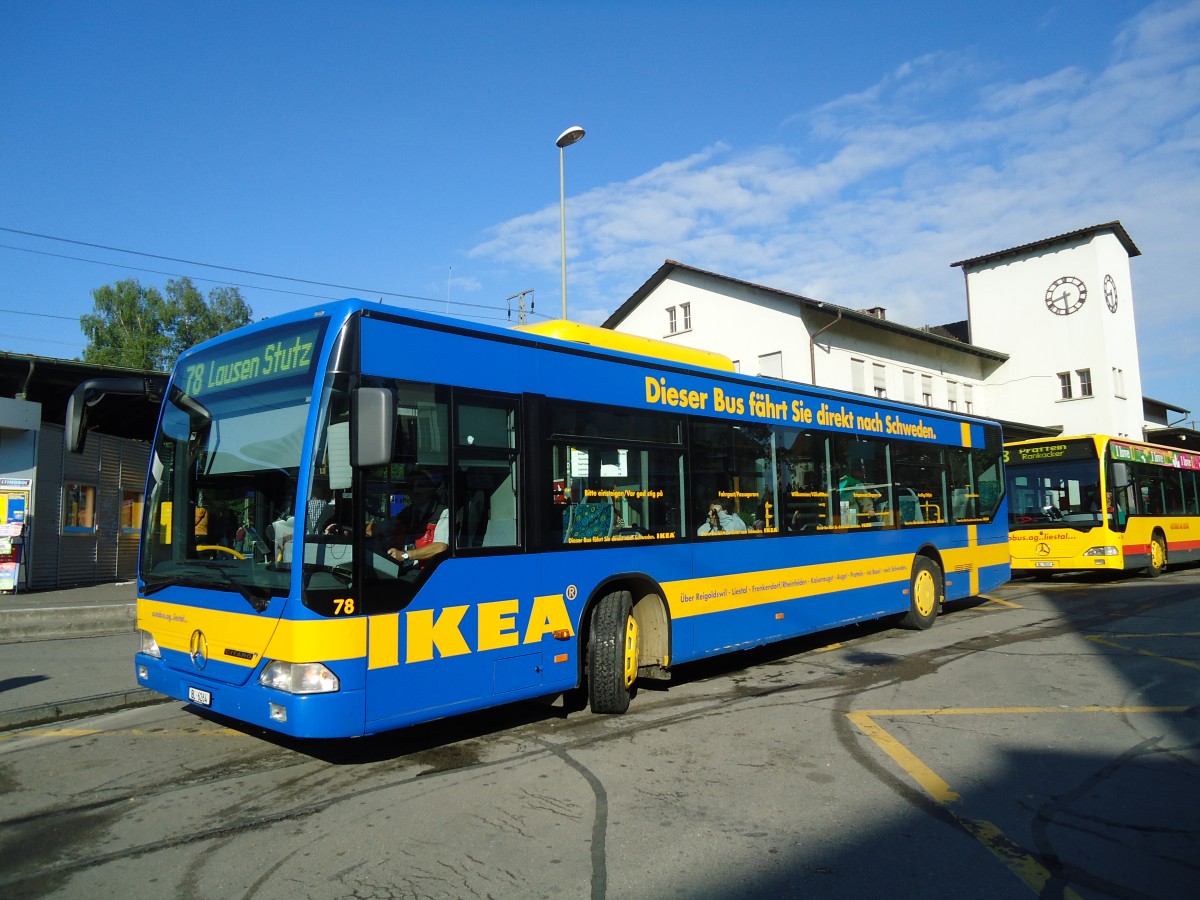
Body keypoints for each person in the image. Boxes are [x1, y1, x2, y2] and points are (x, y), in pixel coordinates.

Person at [385, 469, 450, 565]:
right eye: (411, 487)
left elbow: (440, 547)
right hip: (403, 570)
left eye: (420, 486)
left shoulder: (444, 513)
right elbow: (383, 527)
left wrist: (404, 555)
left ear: (430, 489)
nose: (415, 490)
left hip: (428, 572)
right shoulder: (405, 513)